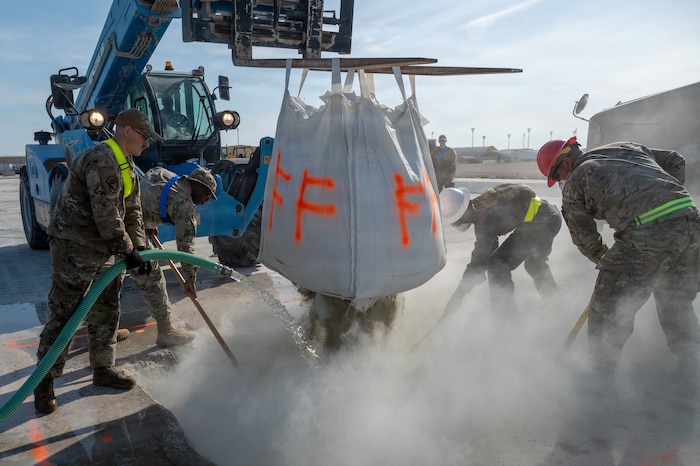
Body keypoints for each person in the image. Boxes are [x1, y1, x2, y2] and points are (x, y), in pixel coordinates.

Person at [536, 137, 700, 385]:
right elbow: (676, 160)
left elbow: (585, 241)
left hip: (648, 231)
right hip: (691, 224)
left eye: (557, 176)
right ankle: (692, 366)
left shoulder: (576, 182)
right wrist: (667, 199)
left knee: (607, 307)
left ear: (566, 162)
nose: (560, 182)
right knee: (675, 297)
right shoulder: (623, 147)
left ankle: (600, 378)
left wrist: (609, 261)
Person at [34, 109, 163, 414]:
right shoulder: (102, 159)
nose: (147, 144)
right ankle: (44, 383)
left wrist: (139, 248)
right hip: (75, 246)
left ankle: (103, 368)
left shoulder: (127, 165)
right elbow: (107, 215)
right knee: (66, 314)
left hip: (107, 248)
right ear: (127, 131)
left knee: (107, 308)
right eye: (145, 137)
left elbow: (132, 212)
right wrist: (128, 250)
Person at [118, 166, 218, 346]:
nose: (205, 201)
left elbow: (147, 188)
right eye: (207, 195)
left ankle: (105, 332)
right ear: (197, 186)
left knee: (109, 279)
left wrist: (147, 219)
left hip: (114, 222)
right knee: (152, 277)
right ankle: (166, 332)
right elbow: (186, 249)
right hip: (128, 231)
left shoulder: (163, 174)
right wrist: (190, 279)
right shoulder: (184, 205)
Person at [439, 183, 562, 316]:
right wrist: (477, 270)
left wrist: (457, 298)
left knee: (497, 264)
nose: (456, 225)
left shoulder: (486, 220)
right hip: (549, 215)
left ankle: (505, 318)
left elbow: (478, 261)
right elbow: (486, 252)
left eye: (456, 222)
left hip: (541, 223)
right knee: (534, 264)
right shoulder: (483, 203)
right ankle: (554, 305)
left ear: (462, 215)